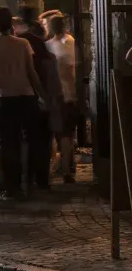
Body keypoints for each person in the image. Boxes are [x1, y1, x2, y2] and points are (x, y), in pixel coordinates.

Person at [0, 7, 45, 200]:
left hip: (3, 97)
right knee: (29, 141)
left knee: (6, 145)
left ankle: (11, 188)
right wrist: (43, 96)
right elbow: (32, 73)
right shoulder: (23, 43)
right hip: (26, 95)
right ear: (11, 24)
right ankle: (28, 183)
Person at [13, 11, 61, 192]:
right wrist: (53, 100)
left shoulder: (22, 60)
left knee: (26, 141)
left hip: (27, 102)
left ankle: (26, 177)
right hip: (44, 105)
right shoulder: (49, 58)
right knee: (43, 143)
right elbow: (55, 85)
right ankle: (42, 179)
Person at [47, 15, 79, 183]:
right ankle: (67, 168)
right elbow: (73, 69)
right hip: (69, 93)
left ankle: (61, 167)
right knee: (68, 134)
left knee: (59, 134)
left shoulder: (48, 46)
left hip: (56, 94)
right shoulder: (71, 42)